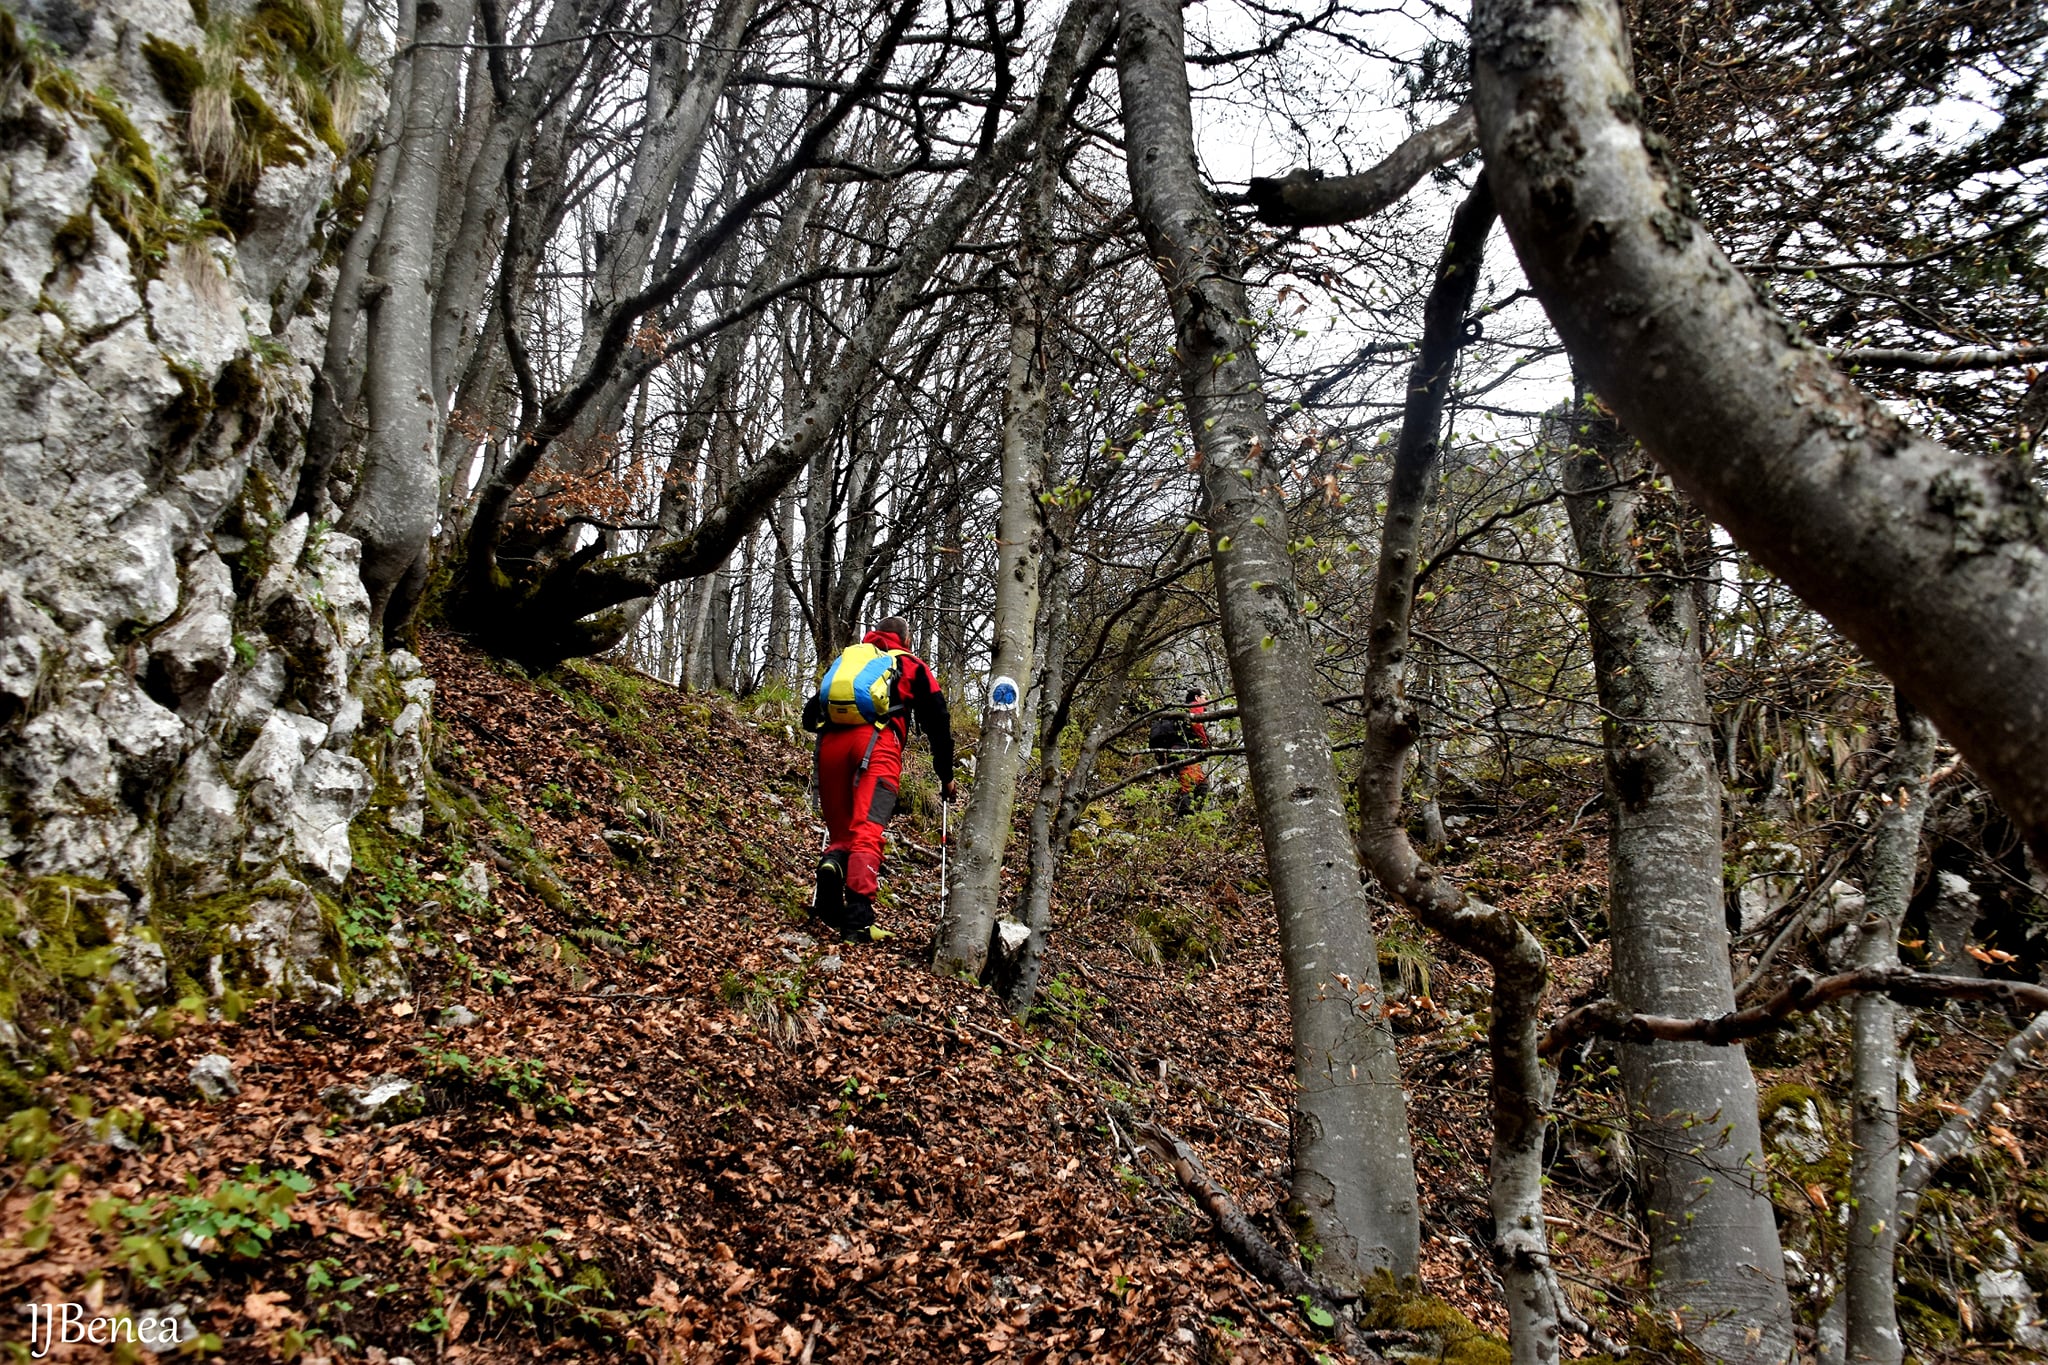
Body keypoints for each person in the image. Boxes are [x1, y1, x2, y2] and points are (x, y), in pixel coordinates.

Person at [802, 616, 955, 942]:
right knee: (868, 830)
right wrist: (946, 777)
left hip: (830, 746)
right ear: (906, 638)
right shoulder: (910, 664)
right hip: (877, 747)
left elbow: (808, 715)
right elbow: (939, 721)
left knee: (843, 833)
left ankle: (831, 870)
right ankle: (858, 921)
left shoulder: (850, 661)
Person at [1174, 688, 1211, 816]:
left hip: (1175, 751)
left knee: (1201, 782)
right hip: (1183, 750)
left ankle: (1193, 814)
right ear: (1197, 698)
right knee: (1190, 782)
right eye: (1205, 698)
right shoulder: (1195, 706)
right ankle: (1185, 815)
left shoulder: (1182, 711)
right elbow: (1197, 725)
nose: (1206, 702)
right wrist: (1205, 743)